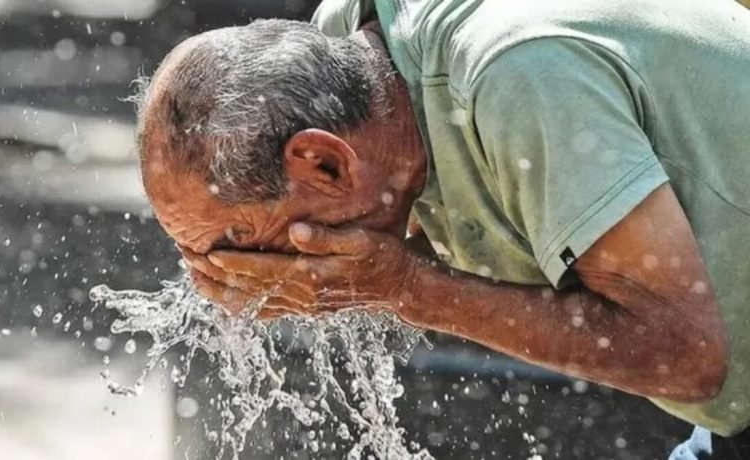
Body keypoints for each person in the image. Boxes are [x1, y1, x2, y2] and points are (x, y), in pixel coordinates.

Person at [133, 0, 750, 457]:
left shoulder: (517, 78)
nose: (230, 278)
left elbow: (686, 357)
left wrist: (408, 289)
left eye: (237, 242)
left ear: (324, 162)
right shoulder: (356, 57)